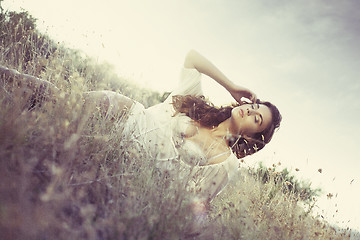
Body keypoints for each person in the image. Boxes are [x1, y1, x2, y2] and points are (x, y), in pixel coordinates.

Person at [0, 50, 281, 215]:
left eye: (257, 119)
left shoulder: (225, 162)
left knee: (48, 132)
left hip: (124, 164)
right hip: (121, 114)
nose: (250, 111)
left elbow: (195, 203)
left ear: (254, 138)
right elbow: (192, 57)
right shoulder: (200, 102)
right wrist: (231, 85)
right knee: (54, 102)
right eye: (254, 106)